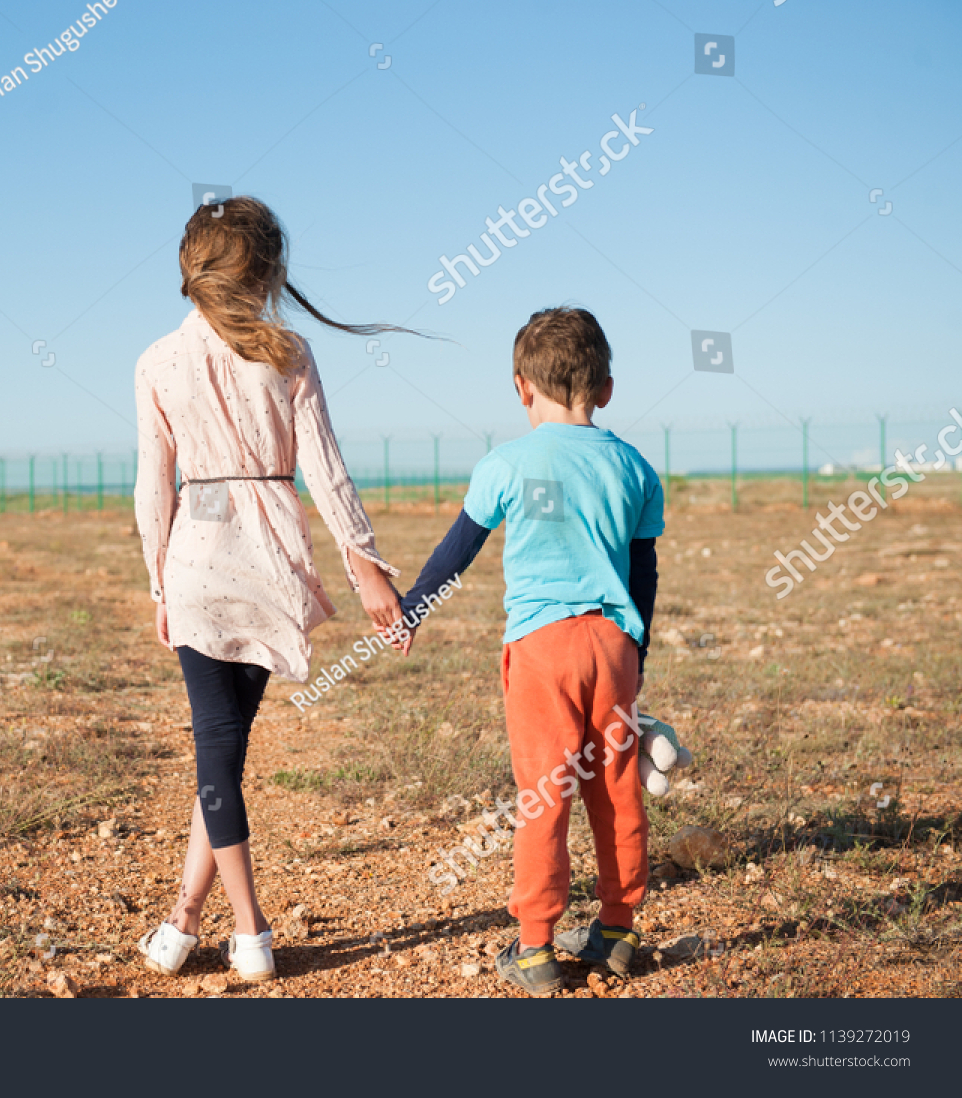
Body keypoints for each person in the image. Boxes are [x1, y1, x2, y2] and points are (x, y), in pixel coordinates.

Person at [133, 196, 412, 982]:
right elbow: (325, 469)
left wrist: (159, 582)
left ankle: (247, 929)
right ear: (268, 273)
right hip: (268, 562)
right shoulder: (288, 353)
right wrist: (364, 564)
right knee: (222, 747)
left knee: (217, 750)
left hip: (194, 560)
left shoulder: (155, 360)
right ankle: (190, 919)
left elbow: (152, 490)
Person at [392, 306, 662, 995]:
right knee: (617, 789)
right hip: (613, 642)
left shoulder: (506, 463)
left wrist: (411, 610)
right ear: (606, 389)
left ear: (522, 388)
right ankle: (619, 930)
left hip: (541, 649)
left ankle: (537, 948)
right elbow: (644, 570)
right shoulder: (634, 467)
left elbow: (459, 549)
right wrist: (637, 648)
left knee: (544, 794)